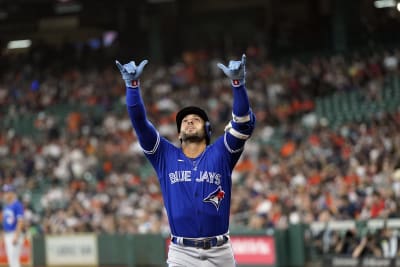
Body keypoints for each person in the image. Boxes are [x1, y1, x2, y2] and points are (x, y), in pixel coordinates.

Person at [116, 54, 255, 267]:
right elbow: (140, 123)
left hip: (220, 252)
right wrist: (132, 87)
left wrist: (238, 84)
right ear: (179, 133)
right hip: (181, 253)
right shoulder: (164, 155)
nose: (189, 122)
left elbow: (243, 123)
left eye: (196, 120)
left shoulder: (222, 152)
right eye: (185, 121)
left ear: (207, 130)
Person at [1, 184, 24, 267]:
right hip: (8, 235)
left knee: (14, 261)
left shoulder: (17, 205)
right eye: (4, 192)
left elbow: (20, 221)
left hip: (14, 234)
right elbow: (4, 222)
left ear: (12, 193)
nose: (5, 194)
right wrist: (3, 236)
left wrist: (16, 236)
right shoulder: (6, 206)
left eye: (7, 192)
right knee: (11, 261)